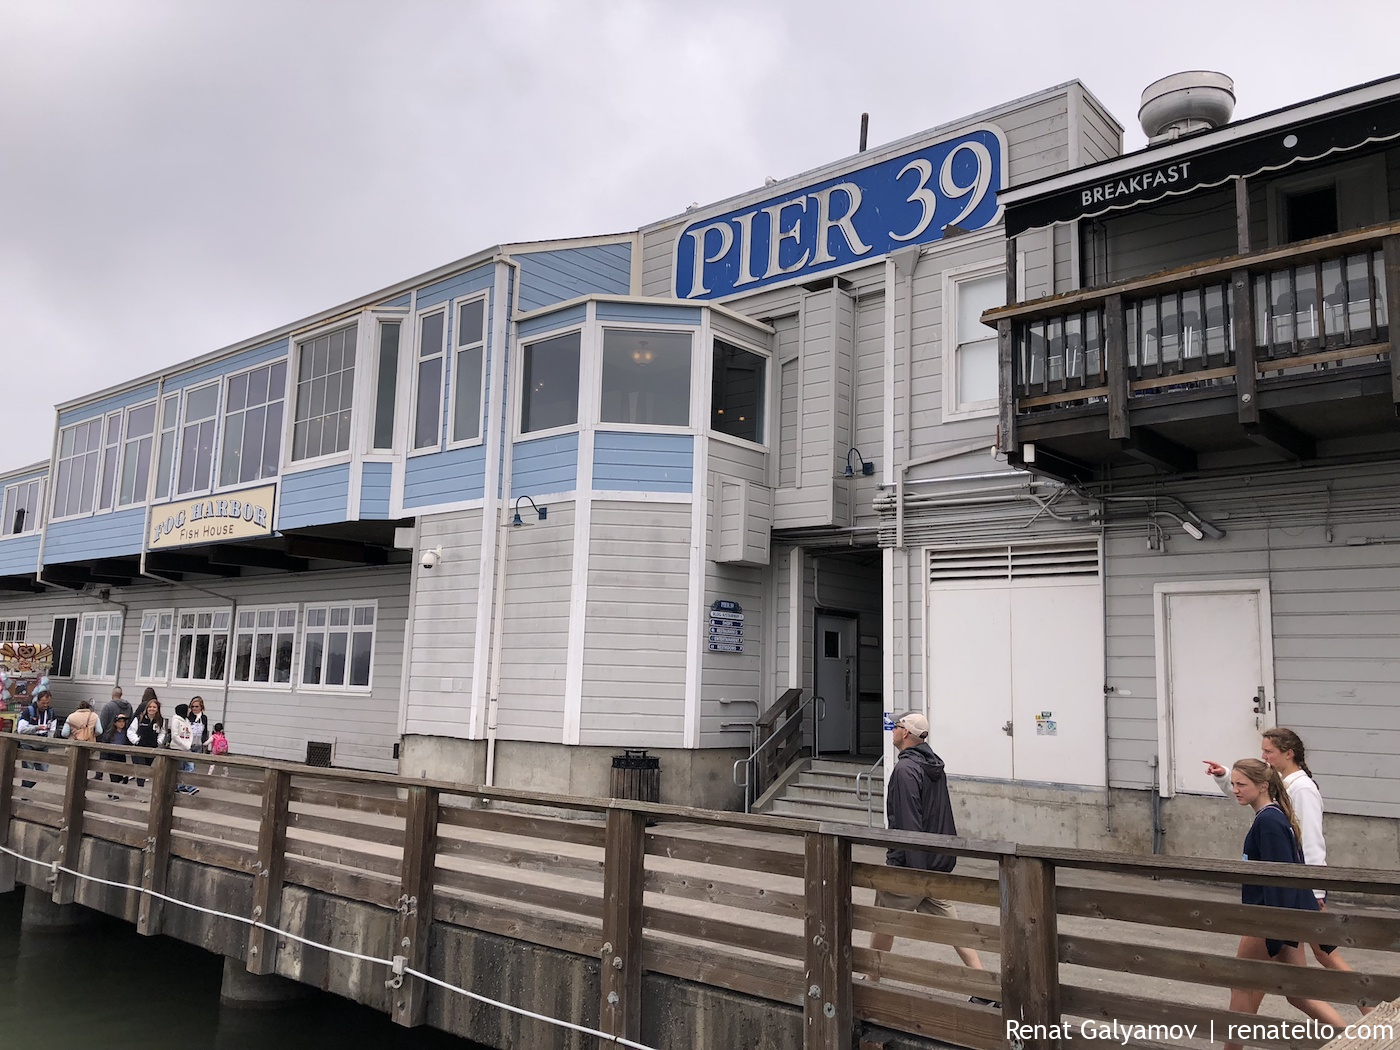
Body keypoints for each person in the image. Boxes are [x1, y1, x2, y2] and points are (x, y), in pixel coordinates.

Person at [1204, 728, 1374, 1013]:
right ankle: (1364, 1022)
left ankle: (1374, 1014)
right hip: (1293, 893)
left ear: (1288, 753)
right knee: (1299, 980)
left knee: (1322, 956)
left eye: (1268, 751)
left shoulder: (1301, 788)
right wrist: (1224, 778)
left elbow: (1309, 840)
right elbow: (1251, 793)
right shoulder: (1280, 787)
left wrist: (1316, 889)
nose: (1264, 756)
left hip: (1298, 891)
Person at [867, 712, 997, 1006]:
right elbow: (940, 814)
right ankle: (982, 984)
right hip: (934, 860)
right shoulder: (933, 765)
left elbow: (909, 821)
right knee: (949, 922)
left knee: (883, 920)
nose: (893, 730)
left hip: (910, 864)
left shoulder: (905, 771)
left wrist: (915, 872)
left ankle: (872, 979)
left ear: (908, 734)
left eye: (897, 726)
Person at [1221, 759, 1345, 1050]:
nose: (1235, 790)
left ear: (1263, 786)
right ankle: (1351, 1038)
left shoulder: (1268, 821)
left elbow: (1282, 877)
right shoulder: (1275, 815)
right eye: (1233, 783)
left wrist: (1278, 930)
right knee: (1297, 993)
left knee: (1241, 984)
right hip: (1281, 918)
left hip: (1268, 918)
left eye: (1242, 784)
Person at [17, 689, 58, 791]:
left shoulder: (51, 712)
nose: (45, 705)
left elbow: (52, 729)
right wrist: (36, 728)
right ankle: (25, 794)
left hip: (43, 744)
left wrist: (50, 739)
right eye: (43, 703)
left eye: (47, 703)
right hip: (28, 744)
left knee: (43, 771)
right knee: (28, 771)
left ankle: (24, 790)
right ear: (38, 701)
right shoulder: (28, 711)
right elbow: (21, 730)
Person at [127, 693, 166, 788]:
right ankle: (140, 791)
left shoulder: (160, 720)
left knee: (146, 770)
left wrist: (158, 741)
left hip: (151, 749)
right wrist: (136, 741)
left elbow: (162, 733)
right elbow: (130, 731)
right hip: (139, 749)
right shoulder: (139, 718)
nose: (152, 709)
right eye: (150, 707)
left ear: (157, 709)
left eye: (154, 707)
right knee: (141, 769)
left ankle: (140, 789)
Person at [97, 710, 132, 800]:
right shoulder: (109, 734)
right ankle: (115, 794)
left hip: (121, 756)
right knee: (114, 776)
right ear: (115, 723)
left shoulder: (126, 733)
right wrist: (104, 758)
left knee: (122, 777)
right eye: (119, 721)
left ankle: (111, 790)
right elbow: (104, 745)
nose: (122, 723)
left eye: (123, 721)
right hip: (111, 756)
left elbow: (129, 743)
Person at [169, 703, 199, 795]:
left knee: (190, 766)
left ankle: (188, 787)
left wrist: (188, 744)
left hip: (187, 748)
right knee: (180, 768)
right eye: (188, 709)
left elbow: (190, 733)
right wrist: (184, 745)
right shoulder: (175, 721)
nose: (190, 711)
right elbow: (175, 736)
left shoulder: (187, 721)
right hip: (177, 748)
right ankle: (183, 786)